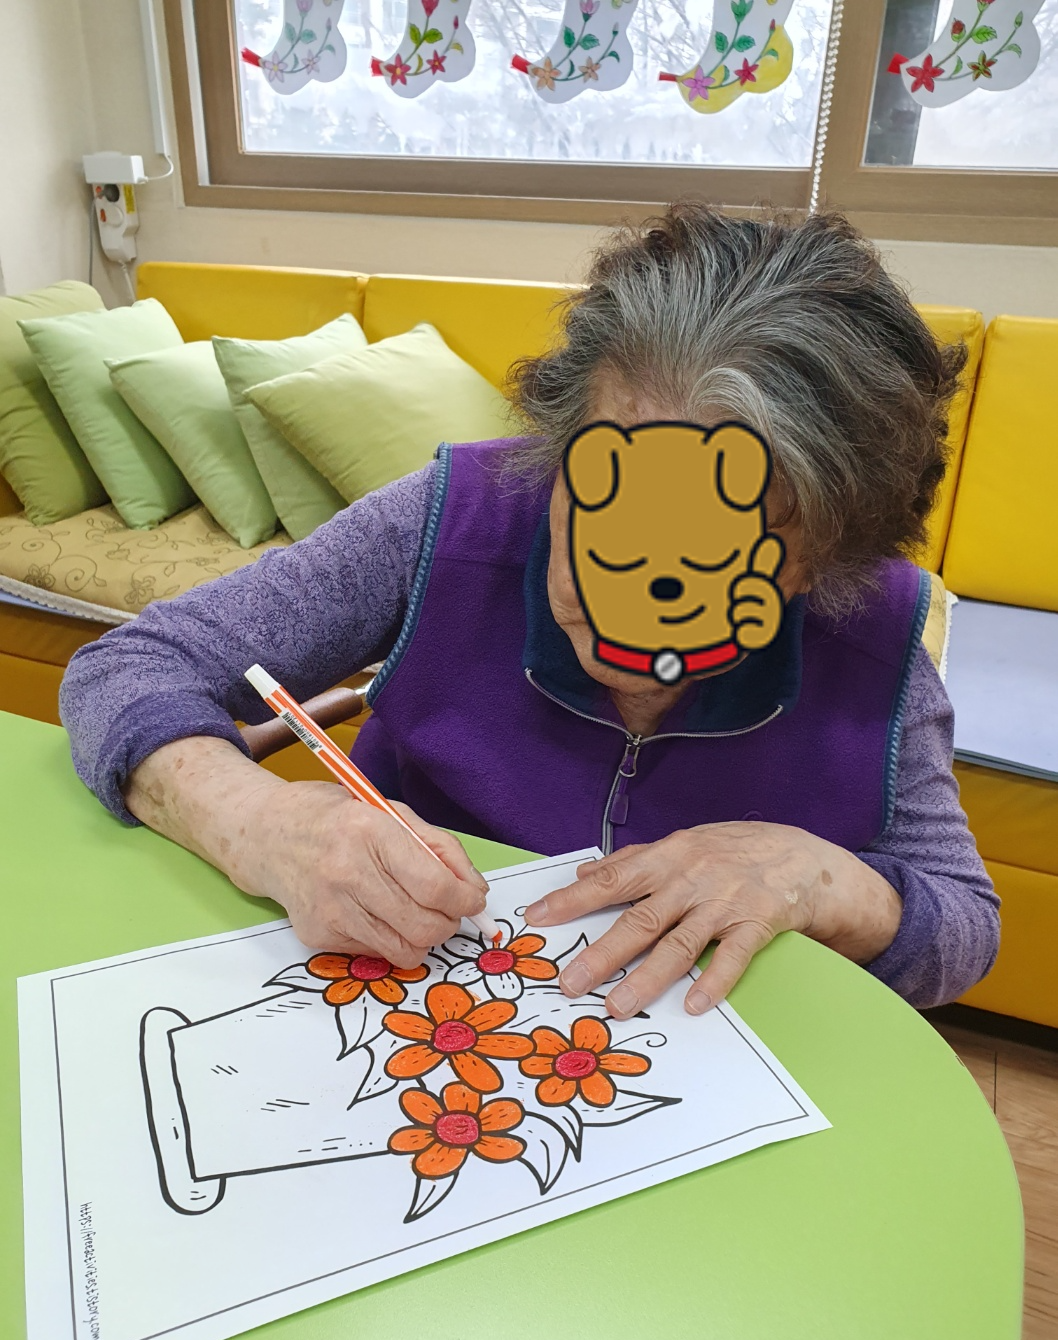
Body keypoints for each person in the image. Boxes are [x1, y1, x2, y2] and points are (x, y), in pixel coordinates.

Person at [59, 204, 999, 1020]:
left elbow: (963, 924)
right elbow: (127, 665)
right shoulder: (452, 519)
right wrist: (264, 825)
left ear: (824, 556)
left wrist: (820, 876)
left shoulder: (875, 631)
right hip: (401, 1007)